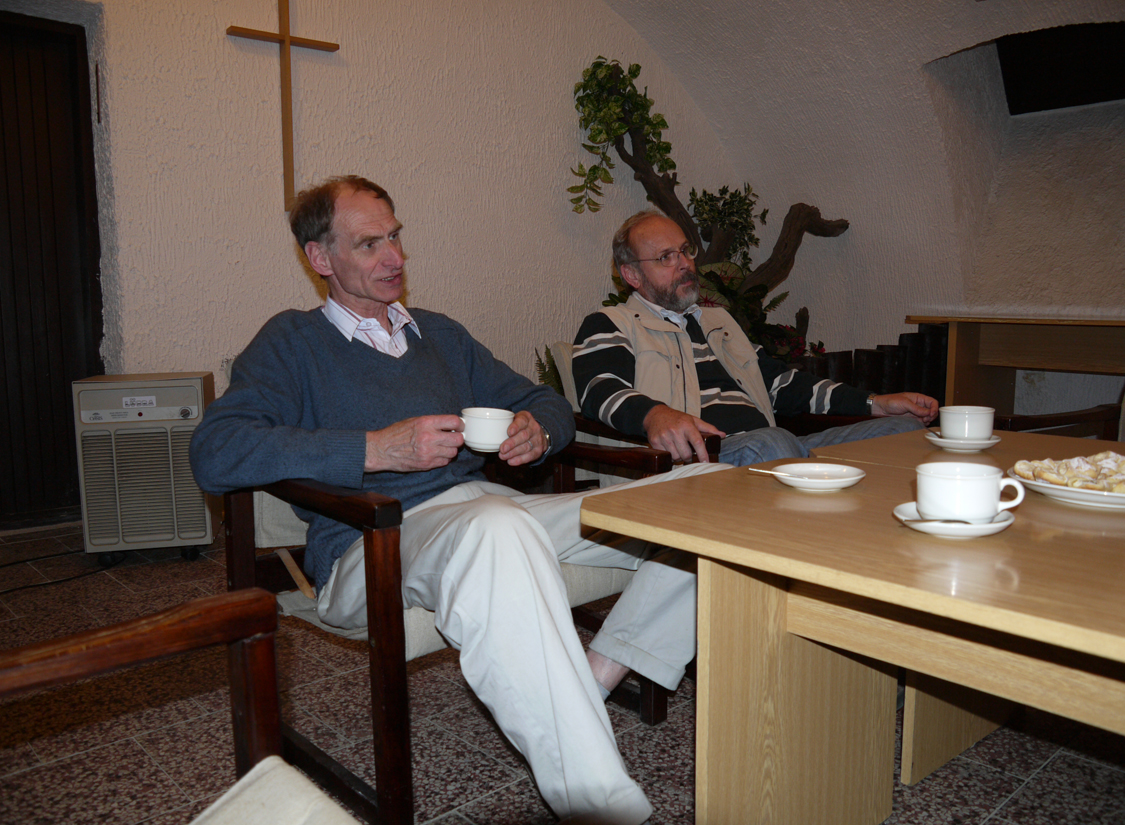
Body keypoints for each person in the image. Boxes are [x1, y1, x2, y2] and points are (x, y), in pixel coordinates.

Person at [190, 177, 726, 825]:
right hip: (372, 539)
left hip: (491, 509)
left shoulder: (439, 334)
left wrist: (539, 429)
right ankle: (602, 808)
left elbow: (543, 398)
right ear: (320, 257)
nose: (394, 257)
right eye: (369, 244)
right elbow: (216, 450)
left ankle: (589, 679)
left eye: (395, 237)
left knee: (705, 497)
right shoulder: (291, 342)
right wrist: (373, 449)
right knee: (495, 526)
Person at [572, 210, 939, 465]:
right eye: (666, 257)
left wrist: (874, 403)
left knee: (903, 431)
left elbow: (783, 384)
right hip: (699, 460)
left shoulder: (718, 321)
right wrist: (655, 415)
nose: (685, 263)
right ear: (632, 276)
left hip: (776, 449)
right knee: (773, 442)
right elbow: (599, 389)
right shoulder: (612, 323)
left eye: (685, 250)